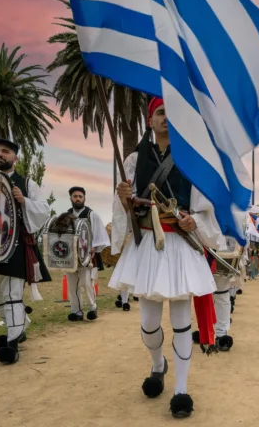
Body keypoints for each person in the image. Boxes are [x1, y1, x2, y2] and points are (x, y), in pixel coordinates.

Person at [109, 98, 220, 417]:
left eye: (171, 114)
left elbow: (203, 206)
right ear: (149, 119)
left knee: (183, 322)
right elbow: (126, 210)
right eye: (160, 113)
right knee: (149, 323)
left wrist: (194, 221)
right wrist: (124, 199)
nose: (166, 119)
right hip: (148, 246)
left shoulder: (192, 160)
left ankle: (182, 390)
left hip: (181, 246)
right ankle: (158, 364)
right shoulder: (132, 160)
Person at [0, 138, 52, 364]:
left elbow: (44, 210)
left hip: (14, 246)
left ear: (15, 158)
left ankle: (12, 345)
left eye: (5, 151)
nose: (0, 154)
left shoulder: (26, 184)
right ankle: (19, 326)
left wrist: (23, 200)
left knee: (13, 295)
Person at [64, 186, 110, 322]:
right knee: (72, 285)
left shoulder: (91, 215)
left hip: (87, 256)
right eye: (75, 196)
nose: (77, 199)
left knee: (86, 282)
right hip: (71, 256)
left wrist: (93, 248)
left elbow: (100, 234)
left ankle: (92, 307)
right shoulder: (66, 215)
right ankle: (76, 311)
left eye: (80, 196)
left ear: (84, 198)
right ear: (71, 199)